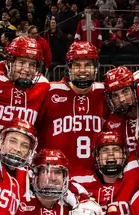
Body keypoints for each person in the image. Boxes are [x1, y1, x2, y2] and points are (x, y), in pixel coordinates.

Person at [35, 42, 109, 177]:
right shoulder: (49, 90)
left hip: (95, 177)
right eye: (77, 65)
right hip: (54, 176)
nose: (83, 70)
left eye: (88, 65)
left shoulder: (104, 93)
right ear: (69, 68)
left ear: (95, 68)